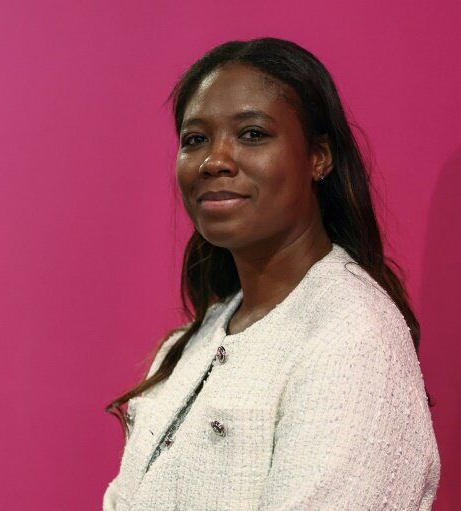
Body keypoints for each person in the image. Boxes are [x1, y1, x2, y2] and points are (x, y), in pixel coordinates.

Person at [103, 38, 440, 511]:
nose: (213, 160)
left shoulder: (351, 335)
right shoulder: (191, 341)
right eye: (195, 139)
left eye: (253, 134)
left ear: (318, 157)